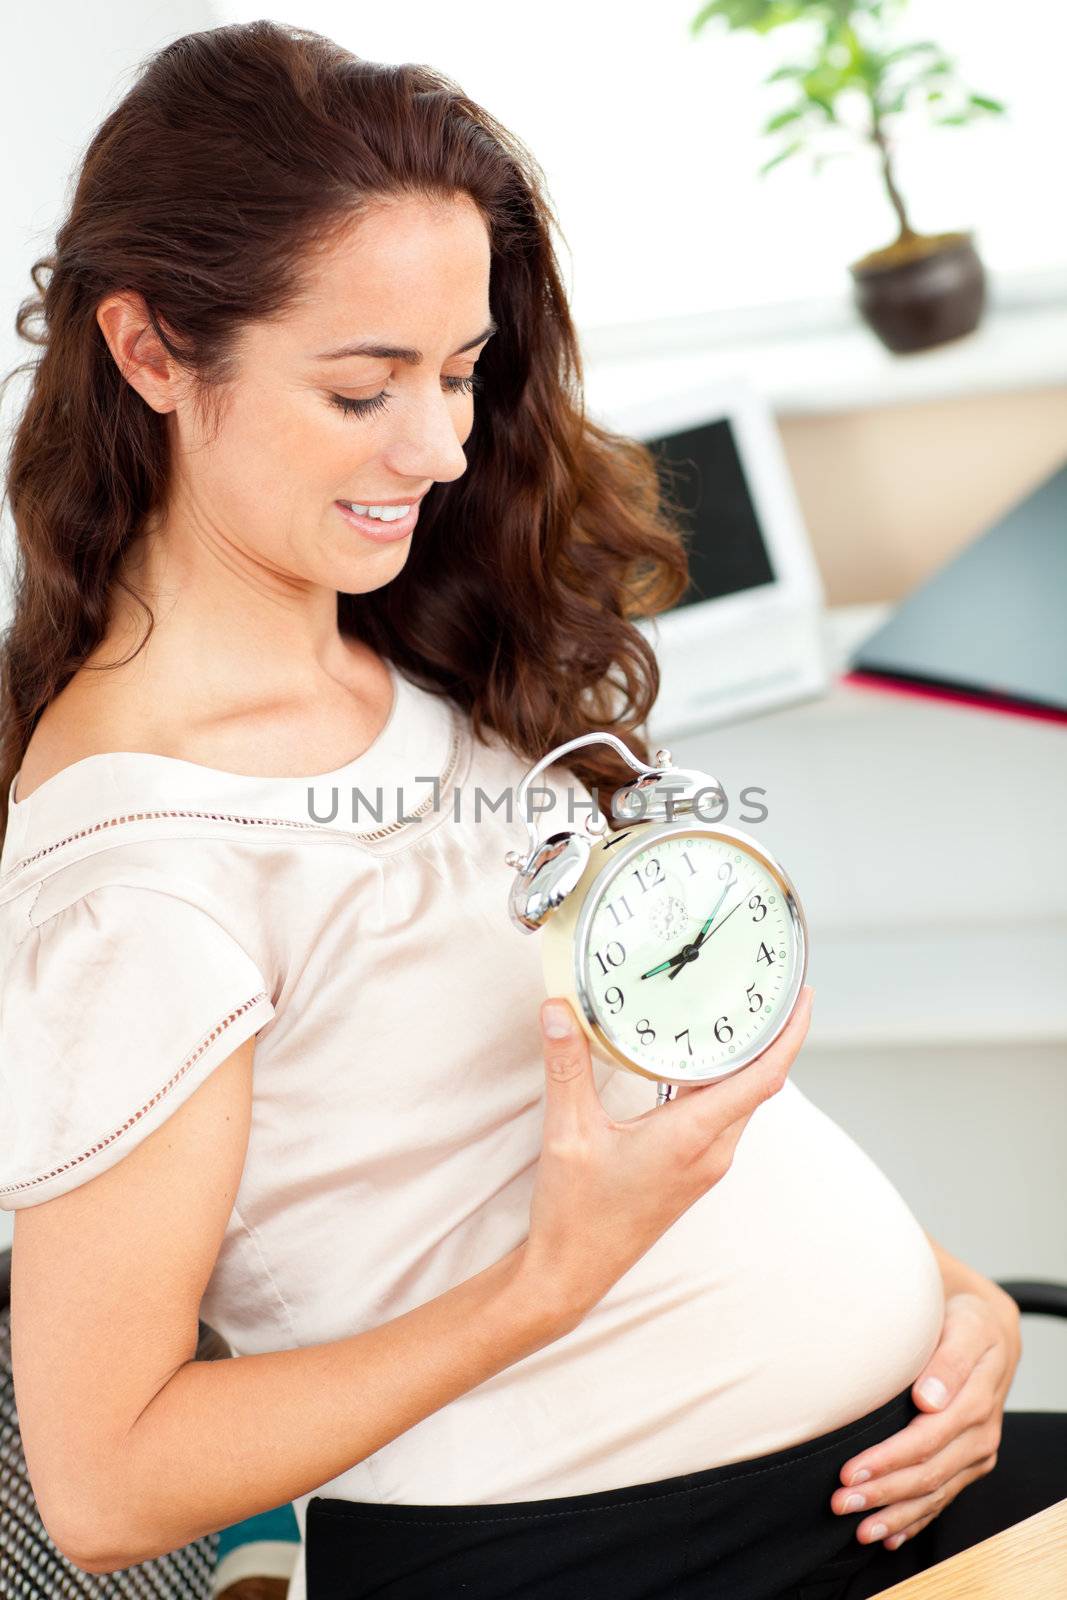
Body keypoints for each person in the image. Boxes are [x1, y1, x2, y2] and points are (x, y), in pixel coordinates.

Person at [1, 21, 1063, 1600]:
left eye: (459, 370)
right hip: (627, 1555)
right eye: (363, 387)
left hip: (875, 1463)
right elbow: (104, 1483)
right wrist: (550, 1277)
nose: (435, 448)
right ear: (152, 351)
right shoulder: (139, 871)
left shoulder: (392, 649)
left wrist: (945, 1299)